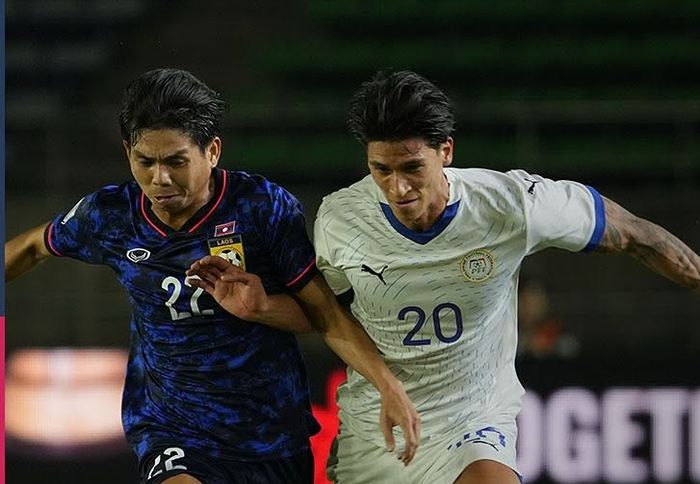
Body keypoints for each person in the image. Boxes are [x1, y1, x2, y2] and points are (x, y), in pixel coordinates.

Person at [191, 70, 700, 483]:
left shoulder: (510, 205)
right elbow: (328, 315)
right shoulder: (341, 220)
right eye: (380, 170)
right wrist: (262, 307)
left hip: (473, 416)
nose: (397, 187)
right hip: (378, 426)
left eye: (412, 167)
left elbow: (636, 235)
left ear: (446, 152)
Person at [4, 68, 420, 484]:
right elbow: (34, 245)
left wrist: (266, 310)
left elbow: (323, 315)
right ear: (127, 151)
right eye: (144, 161)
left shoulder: (262, 208)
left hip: (269, 435)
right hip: (173, 429)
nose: (159, 178)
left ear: (213, 151)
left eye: (176, 161)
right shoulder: (111, 215)